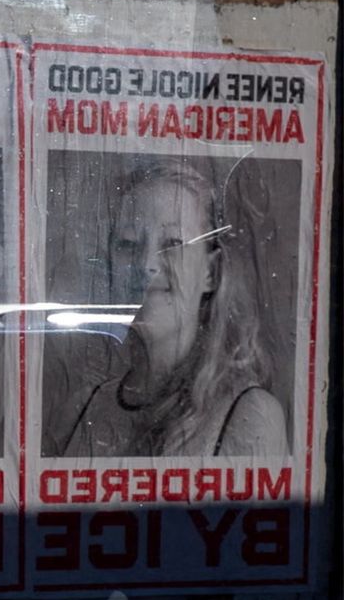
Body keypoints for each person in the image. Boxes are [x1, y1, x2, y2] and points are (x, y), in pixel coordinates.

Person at [58, 158, 288, 457]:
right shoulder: (84, 407)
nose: (146, 265)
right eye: (128, 243)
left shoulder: (248, 415)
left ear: (210, 272)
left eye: (173, 243)